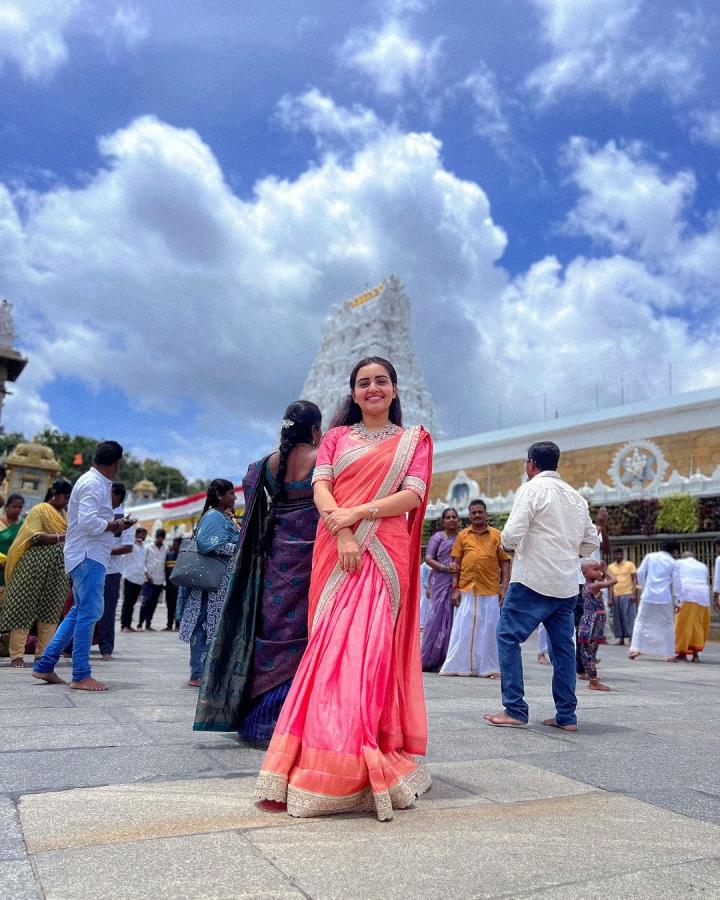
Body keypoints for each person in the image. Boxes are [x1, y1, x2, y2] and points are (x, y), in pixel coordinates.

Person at [255, 357, 432, 820]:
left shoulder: (413, 440)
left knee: (368, 651)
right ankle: (323, 759)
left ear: (394, 389)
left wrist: (357, 515)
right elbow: (321, 487)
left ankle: (362, 752)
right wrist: (344, 531)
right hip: (336, 550)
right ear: (353, 393)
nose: (372, 388)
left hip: (384, 554)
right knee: (330, 650)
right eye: (363, 383)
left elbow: (413, 495)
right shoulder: (335, 438)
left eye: (381, 381)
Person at [195, 401, 322, 742]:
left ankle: (257, 719)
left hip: (273, 557)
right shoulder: (322, 460)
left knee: (271, 629)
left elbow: (252, 494)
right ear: (314, 430)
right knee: (303, 633)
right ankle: (289, 722)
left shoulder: (264, 466)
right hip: (312, 559)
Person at [485, 441, 599, 731]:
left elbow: (510, 535)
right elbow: (590, 543)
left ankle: (515, 708)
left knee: (508, 637)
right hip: (566, 584)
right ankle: (566, 716)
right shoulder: (576, 497)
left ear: (531, 464)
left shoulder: (532, 489)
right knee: (563, 649)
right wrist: (566, 553)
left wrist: (512, 546)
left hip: (533, 580)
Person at [33, 441, 132, 691]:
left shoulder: (94, 482)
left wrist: (114, 524)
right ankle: (81, 674)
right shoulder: (93, 484)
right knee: (89, 613)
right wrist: (113, 525)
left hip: (87, 554)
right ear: (116, 464)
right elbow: (88, 522)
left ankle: (45, 664)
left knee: (80, 611)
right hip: (88, 556)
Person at [0, 481, 72, 667]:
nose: (66, 502)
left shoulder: (65, 514)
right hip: (33, 567)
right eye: (65, 497)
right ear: (55, 494)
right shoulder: (39, 510)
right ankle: (17, 656)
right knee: (23, 609)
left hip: (57, 569)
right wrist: (62, 536)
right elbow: (35, 536)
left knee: (50, 611)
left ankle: (42, 655)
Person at [178, 480, 240, 687]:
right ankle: (198, 673)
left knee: (210, 626)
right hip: (211, 585)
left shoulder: (221, 517)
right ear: (220, 496)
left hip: (218, 584)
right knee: (203, 625)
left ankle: (204, 671)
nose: (235, 497)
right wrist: (239, 547)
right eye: (231, 494)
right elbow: (207, 544)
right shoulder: (214, 516)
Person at [440, 500, 510, 678]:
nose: (477, 515)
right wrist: (454, 588)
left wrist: (505, 588)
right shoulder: (463, 535)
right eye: (474, 512)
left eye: (480, 512)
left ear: (486, 514)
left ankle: (489, 668)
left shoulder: (497, 535)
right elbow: (455, 563)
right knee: (463, 628)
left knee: (489, 629)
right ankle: (458, 667)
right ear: (469, 515)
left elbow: (505, 563)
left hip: (490, 589)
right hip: (466, 589)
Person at [97, 483, 133, 660]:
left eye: (109, 493)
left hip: (111, 571)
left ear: (117, 496)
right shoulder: (101, 512)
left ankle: (106, 649)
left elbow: (127, 547)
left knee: (108, 611)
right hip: (94, 565)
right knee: (82, 607)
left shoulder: (125, 517)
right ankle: (71, 647)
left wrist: (104, 549)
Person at [421, 508, 459, 672]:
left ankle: (447, 658)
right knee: (436, 617)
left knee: (453, 619)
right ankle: (429, 658)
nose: (451, 519)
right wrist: (445, 568)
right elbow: (428, 559)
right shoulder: (438, 537)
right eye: (448, 517)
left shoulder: (463, 537)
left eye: (454, 517)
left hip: (458, 580)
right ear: (443, 521)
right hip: (440, 580)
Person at [629, 540, 679, 661]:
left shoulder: (650, 557)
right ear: (674, 551)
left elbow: (640, 573)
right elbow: (677, 583)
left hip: (648, 595)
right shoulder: (673, 562)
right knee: (667, 624)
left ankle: (634, 648)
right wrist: (678, 600)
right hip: (665, 597)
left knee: (641, 620)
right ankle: (670, 653)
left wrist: (644, 586)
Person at [578, 560, 616, 691]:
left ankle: (592, 676)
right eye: (595, 569)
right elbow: (614, 581)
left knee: (591, 652)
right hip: (592, 623)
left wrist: (601, 573)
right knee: (589, 652)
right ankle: (593, 681)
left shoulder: (591, 585)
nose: (598, 572)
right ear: (585, 573)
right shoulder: (594, 586)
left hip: (594, 622)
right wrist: (605, 571)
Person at [672, 551, 711, 663]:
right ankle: (695, 655)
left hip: (687, 595)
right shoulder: (703, 565)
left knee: (681, 625)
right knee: (697, 625)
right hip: (703, 597)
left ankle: (682, 653)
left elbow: (676, 582)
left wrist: (677, 600)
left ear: (683, 557)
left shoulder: (679, 563)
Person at [607, 548, 638, 646]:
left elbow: (634, 580)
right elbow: (610, 584)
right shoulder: (611, 567)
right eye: (616, 554)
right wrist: (610, 597)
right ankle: (620, 638)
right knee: (618, 618)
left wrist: (634, 594)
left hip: (627, 593)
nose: (618, 556)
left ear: (622, 554)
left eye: (619, 554)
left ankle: (631, 637)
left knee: (629, 616)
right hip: (616, 594)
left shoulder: (630, 565)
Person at [138, 529, 167, 630]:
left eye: (162, 538)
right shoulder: (148, 547)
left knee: (153, 604)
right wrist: (146, 574)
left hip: (159, 581)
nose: (160, 539)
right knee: (146, 602)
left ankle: (148, 624)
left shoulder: (165, 548)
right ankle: (140, 624)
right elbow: (143, 562)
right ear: (156, 537)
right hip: (148, 580)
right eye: (159, 537)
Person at [120, 527, 147, 632]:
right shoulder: (131, 545)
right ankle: (124, 625)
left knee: (132, 604)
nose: (143, 536)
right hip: (130, 576)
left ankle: (129, 624)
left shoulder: (143, 547)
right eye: (141, 534)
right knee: (127, 602)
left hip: (139, 578)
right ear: (136, 534)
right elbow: (124, 545)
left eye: (144, 534)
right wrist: (132, 541)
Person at [163, 536, 182, 630]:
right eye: (173, 543)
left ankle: (178, 625)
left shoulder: (183, 556)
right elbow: (165, 570)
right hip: (169, 586)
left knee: (178, 606)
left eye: (176, 544)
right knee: (169, 605)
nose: (173, 545)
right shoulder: (168, 555)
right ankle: (169, 625)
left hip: (179, 586)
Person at [713, 539, 720, 613]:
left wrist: (715, 598)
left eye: (717, 547)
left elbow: (717, 580)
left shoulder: (719, 559)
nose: (716, 550)